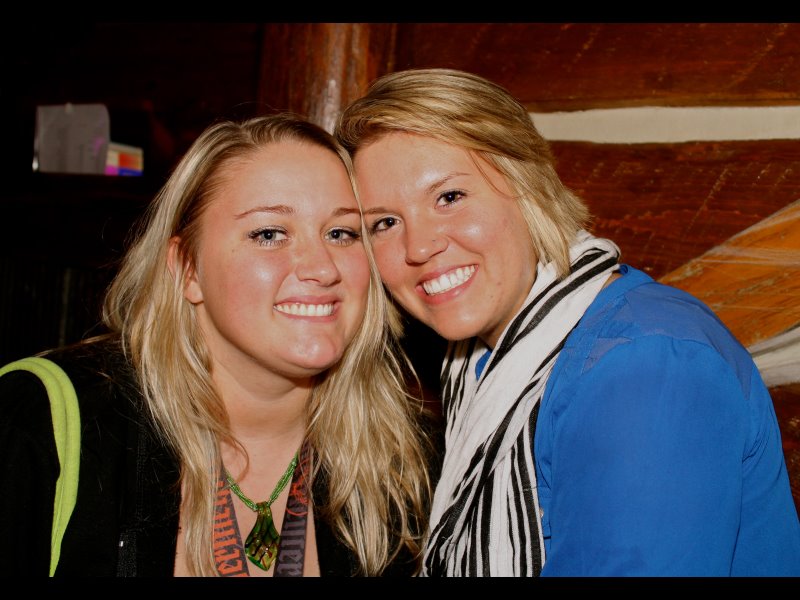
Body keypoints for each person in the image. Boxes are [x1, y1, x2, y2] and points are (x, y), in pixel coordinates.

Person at [334, 68, 800, 577]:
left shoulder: (643, 366)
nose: (419, 247)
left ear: (528, 186)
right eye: (385, 223)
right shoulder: (481, 362)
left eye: (450, 197)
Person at [0, 113, 436, 577]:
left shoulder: (407, 464)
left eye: (341, 233)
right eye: (269, 234)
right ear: (188, 269)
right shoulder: (37, 424)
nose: (322, 268)